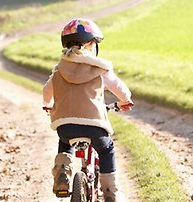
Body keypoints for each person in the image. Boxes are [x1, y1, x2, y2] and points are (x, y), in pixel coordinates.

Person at [42, 18, 133, 202]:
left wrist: (47, 104)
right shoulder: (99, 69)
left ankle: (62, 175)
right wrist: (125, 100)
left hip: (65, 126)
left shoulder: (59, 70)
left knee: (65, 143)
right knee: (106, 149)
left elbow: (47, 90)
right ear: (91, 44)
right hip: (94, 125)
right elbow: (118, 87)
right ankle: (110, 192)